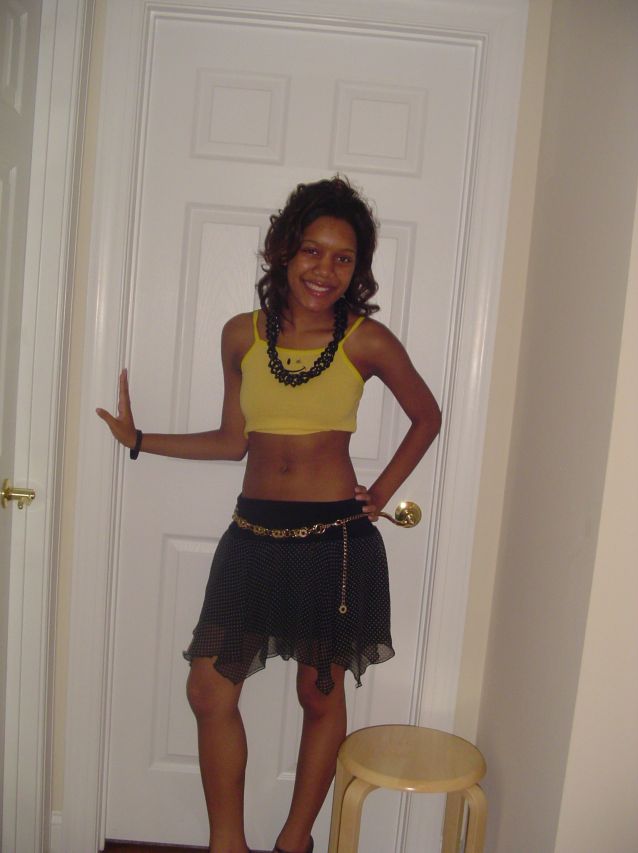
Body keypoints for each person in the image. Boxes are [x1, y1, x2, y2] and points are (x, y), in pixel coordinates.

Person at [97, 176, 441, 853]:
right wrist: (141, 440)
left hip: (333, 543)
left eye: (342, 258)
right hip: (251, 539)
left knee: (318, 695)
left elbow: (427, 416)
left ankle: (293, 841)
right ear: (284, 250)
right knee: (209, 691)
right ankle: (227, 842)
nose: (325, 269)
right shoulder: (241, 335)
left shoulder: (366, 340)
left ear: (357, 268)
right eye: (312, 250)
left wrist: (380, 490)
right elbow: (234, 441)